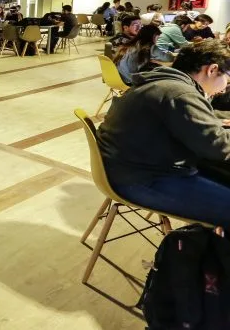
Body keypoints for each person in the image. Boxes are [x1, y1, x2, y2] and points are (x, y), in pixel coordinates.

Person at [97, 40, 230, 227]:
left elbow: (188, 120)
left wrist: (213, 120)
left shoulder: (163, 82)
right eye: (227, 79)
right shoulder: (180, 94)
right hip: (142, 179)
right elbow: (219, 148)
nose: (224, 88)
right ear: (212, 69)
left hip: (126, 169)